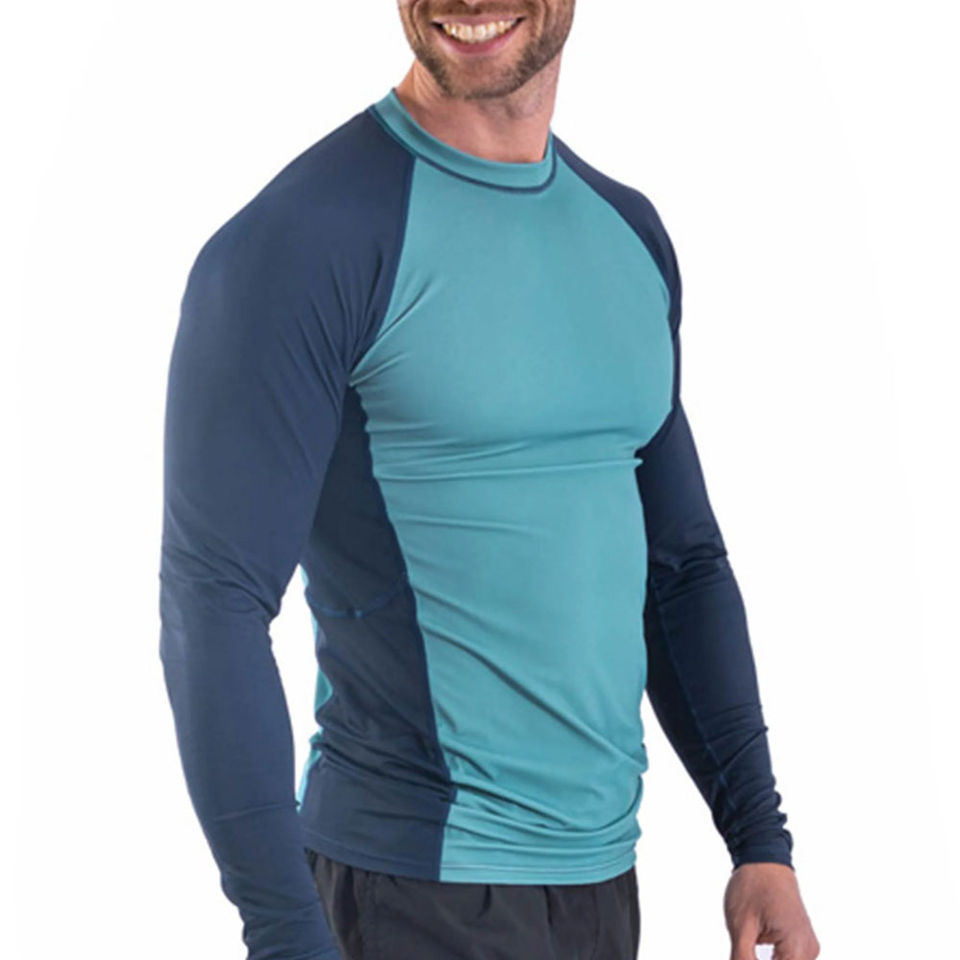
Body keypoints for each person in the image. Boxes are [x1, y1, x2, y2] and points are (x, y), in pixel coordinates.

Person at [158, 2, 821, 958]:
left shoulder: (627, 233)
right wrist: (286, 936)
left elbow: (681, 567)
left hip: (602, 884)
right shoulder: (302, 243)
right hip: (411, 886)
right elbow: (212, 602)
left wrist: (757, 836)